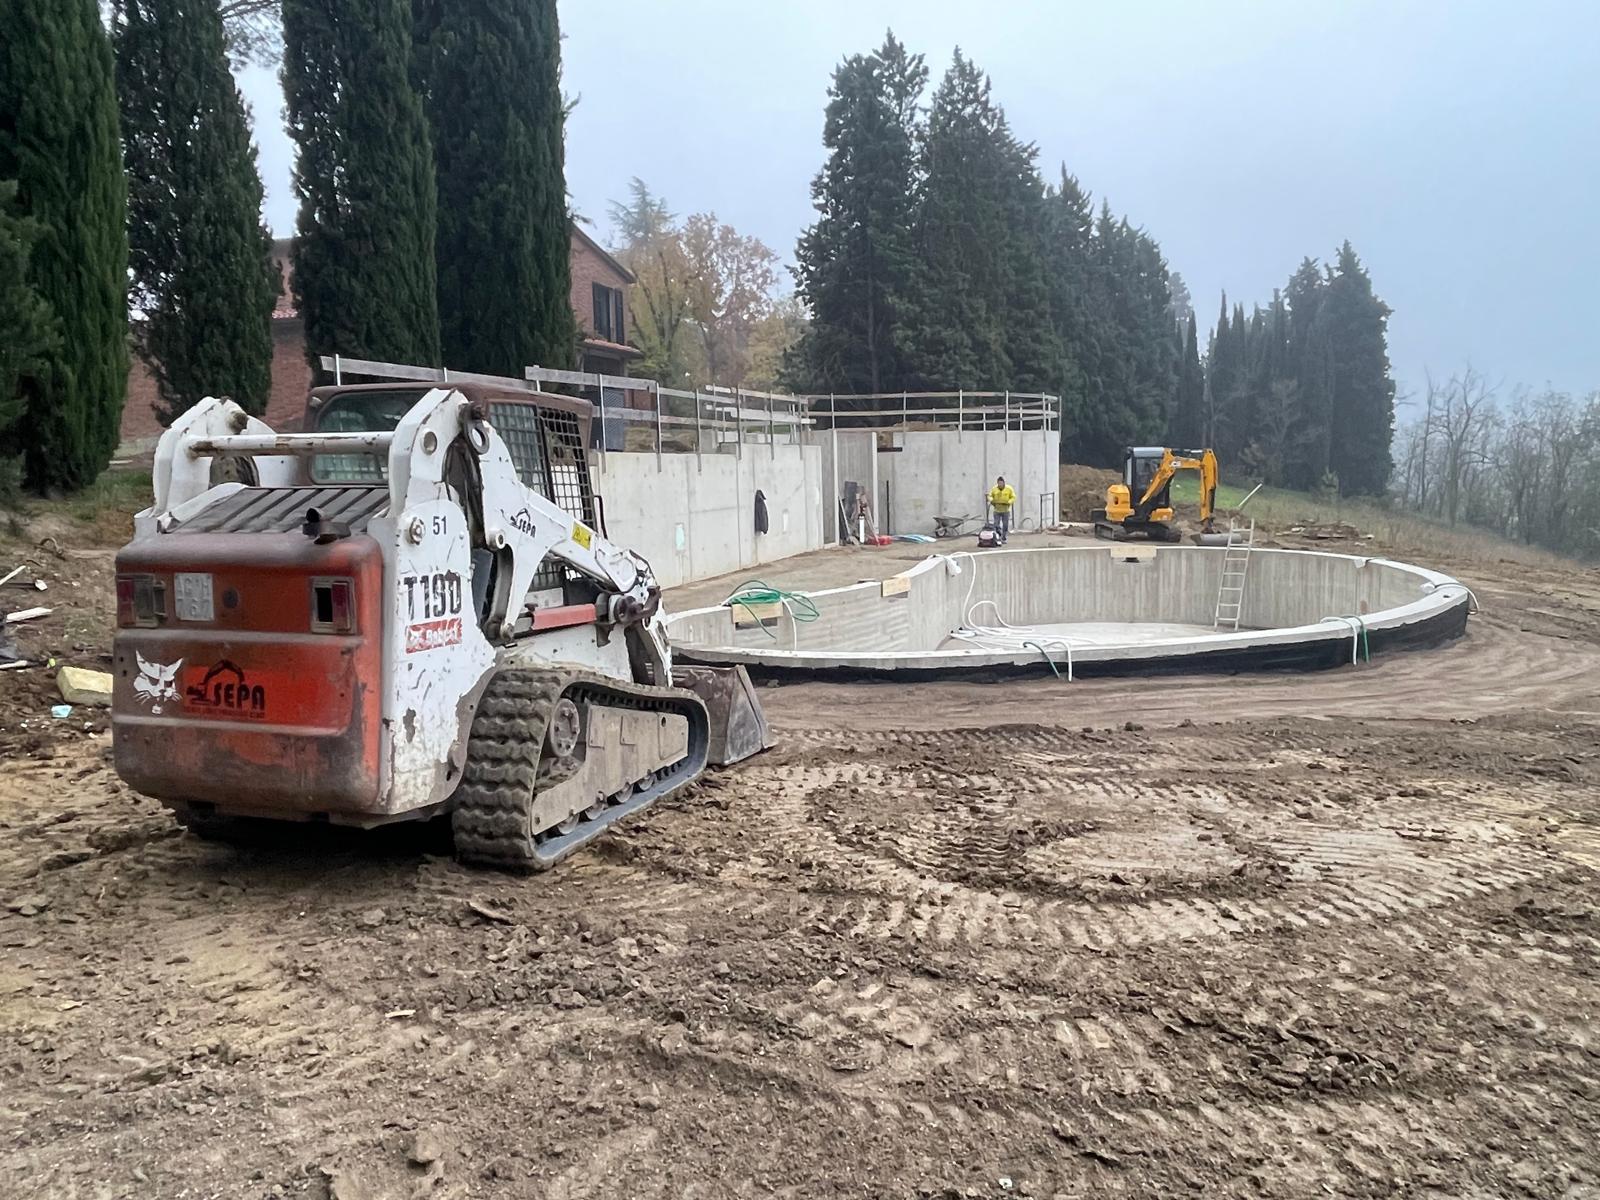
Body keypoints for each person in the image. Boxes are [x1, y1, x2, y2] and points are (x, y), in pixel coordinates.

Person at [987, 476, 1016, 543]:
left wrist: (1009, 502)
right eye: (999, 483)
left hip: (1005, 510)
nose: (1000, 484)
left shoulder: (1009, 489)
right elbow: (989, 496)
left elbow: (1013, 497)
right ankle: (998, 536)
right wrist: (991, 500)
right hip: (997, 510)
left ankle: (1003, 538)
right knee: (996, 524)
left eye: (1001, 483)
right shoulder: (994, 489)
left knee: (1005, 525)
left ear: (1004, 483)